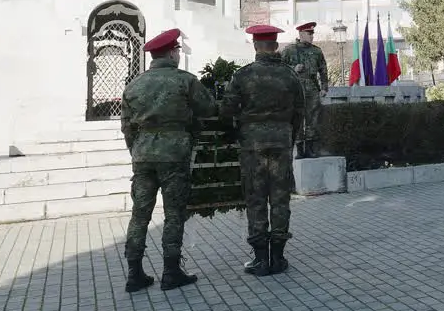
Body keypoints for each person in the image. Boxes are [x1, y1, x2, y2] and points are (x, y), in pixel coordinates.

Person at [120, 28, 218, 292]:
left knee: (139, 214)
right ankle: (171, 272)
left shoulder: (134, 85)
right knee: (174, 214)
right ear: (173, 52)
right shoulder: (184, 81)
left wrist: (137, 151)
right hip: (175, 155)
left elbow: (127, 127)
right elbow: (210, 109)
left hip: (143, 157)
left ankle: (134, 273)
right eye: (177, 50)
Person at [222, 24, 306, 276]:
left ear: (255, 45)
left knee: (256, 199)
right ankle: (278, 258)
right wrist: (289, 137)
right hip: (281, 142)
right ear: (276, 45)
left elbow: (227, 110)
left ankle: (260, 259)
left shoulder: (243, 75)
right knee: (280, 198)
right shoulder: (290, 75)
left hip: (252, 145)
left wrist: (236, 134)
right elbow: (300, 112)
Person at [281, 21, 328, 158]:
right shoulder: (290, 50)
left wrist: (324, 87)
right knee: (297, 119)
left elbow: (323, 70)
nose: (312, 36)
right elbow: (280, 67)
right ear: (301, 33)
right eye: (309, 33)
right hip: (296, 88)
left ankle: (311, 149)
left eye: (312, 33)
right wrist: (293, 69)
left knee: (313, 118)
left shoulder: (316, 51)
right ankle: (300, 149)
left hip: (312, 88)